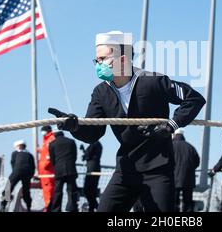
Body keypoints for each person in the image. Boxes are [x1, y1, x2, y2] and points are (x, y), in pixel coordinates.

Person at [49, 31, 205, 212]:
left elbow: (194, 99)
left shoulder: (153, 80)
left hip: (158, 170)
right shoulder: (100, 92)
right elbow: (94, 132)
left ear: (122, 60)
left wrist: (171, 125)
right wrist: (74, 126)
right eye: (96, 61)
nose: (98, 65)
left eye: (102, 59)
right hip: (125, 169)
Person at [49, 131, 79, 212]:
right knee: (72, 190)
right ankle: (72, 208)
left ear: (55, 135)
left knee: (57, 191)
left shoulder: (52, 144)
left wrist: (56, 166)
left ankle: (56, 209)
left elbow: (52, 159)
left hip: (59, 171)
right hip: (71, 169)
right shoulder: (71, 141)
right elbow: (74, 156)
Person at [172, 128, 200, 212]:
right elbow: (197, 162)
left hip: (174, 179)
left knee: (173, 202)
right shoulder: (190, 147)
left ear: (174, 135)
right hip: (188, 179)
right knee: (188, 203)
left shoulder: (171, 146)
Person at [8, 140, 35, 211]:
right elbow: (33, 167)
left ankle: (3, 204)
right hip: (27, 173)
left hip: (17, 171)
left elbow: (13, 164)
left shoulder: (15, 153)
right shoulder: (30, 155)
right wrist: (31, 175)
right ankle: (28, 206)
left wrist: (14, 173)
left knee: (8, 187)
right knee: (26, 191)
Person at [37, 125, 56, 211]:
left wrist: (45, 165)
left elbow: (49, 154)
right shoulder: (46, 139)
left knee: (49, 191)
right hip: (44, 171)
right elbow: (45, 152)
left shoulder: (50, 139)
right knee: (47, 191)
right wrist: (39, 150)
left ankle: (48, 209)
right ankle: (48, 208)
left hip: (47, 171)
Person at [81, 141, 103, 212]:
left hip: (92, 169)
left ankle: (95, 206)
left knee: (87, 190)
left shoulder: (94, 143)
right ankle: (94, 207)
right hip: (94, 168)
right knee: (91, 190)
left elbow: (87, 155)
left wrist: (84, 153)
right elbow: (89, 154)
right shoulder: (97, 144)